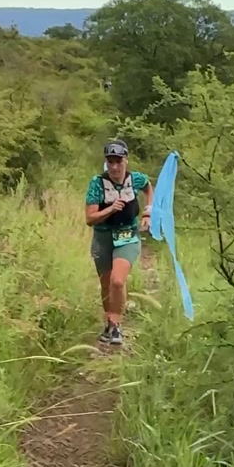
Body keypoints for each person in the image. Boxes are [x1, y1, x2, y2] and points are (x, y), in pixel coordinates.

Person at [85, 139, 153, 346]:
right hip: (103, 237)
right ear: (106, 163)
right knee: (106, 283)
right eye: (111, 162)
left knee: (117, 281)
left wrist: (148, 212)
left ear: (126, 161)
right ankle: (109, 323)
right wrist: (110, 209)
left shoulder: (135, 179)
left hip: (127, 235)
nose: (115, 167)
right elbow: (90, 218)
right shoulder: (97, 184)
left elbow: (148, 187)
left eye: (118, 161)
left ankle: (116, 325)